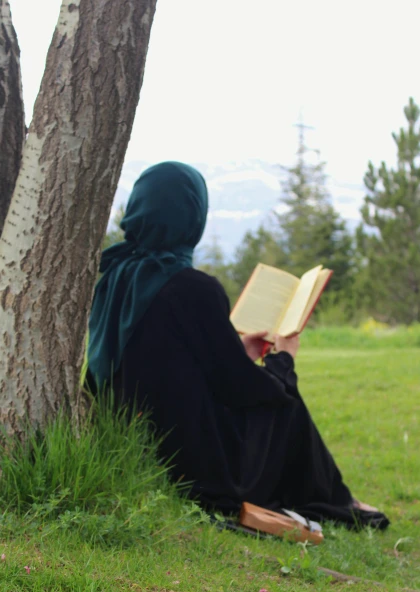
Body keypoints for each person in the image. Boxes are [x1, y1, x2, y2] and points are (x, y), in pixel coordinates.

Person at [87, 162, 389, 530]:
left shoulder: (111, 277)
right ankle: (340, 501)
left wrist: (238, 348)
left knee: (277, 393)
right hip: (196, 465)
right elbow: (243, 390)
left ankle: (339, 497)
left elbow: (171, 363)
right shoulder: (193, 288)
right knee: (284, 402)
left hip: (138, 443)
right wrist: (283, 362)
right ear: (193, 216)